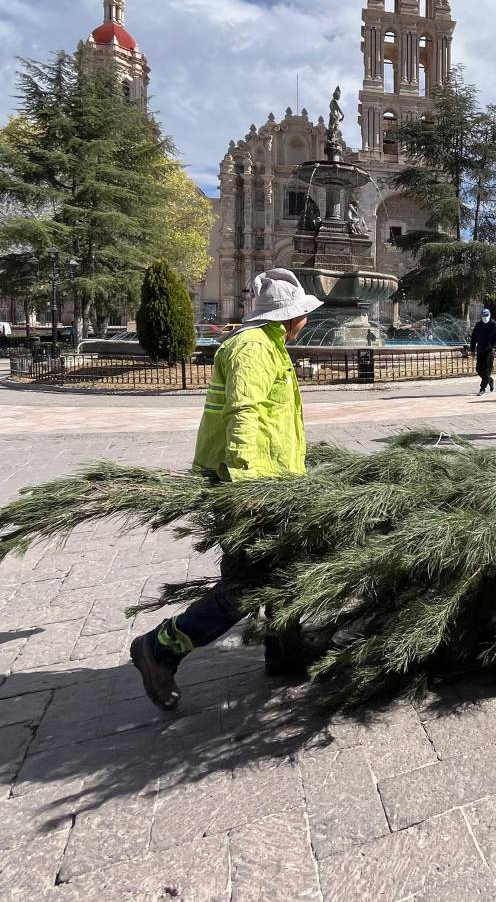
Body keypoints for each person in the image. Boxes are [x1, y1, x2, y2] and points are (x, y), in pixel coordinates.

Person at [128, 268, 323, 711]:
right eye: (303, 314)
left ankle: (285, 653)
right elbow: (243, 414)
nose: (306, 321)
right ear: (288, 317)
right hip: (248, 481)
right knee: (248, 585)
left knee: (282, 570)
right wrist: (247, 485)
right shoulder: (253, 349)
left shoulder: (268, 346)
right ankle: (159, 649)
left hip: (271, 476)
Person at [469, 307, 496, 395]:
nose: (485, 317)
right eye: (483, 316)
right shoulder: (478, 325)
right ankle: (489, 380)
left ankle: (482, 388)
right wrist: (472, 349)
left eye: (486, 315)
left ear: (490, 315)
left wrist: (494, 347)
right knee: (479, 369)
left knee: (487, 369)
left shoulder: (494, 325)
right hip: (480, 350)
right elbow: (473, 338)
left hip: (490, 351)